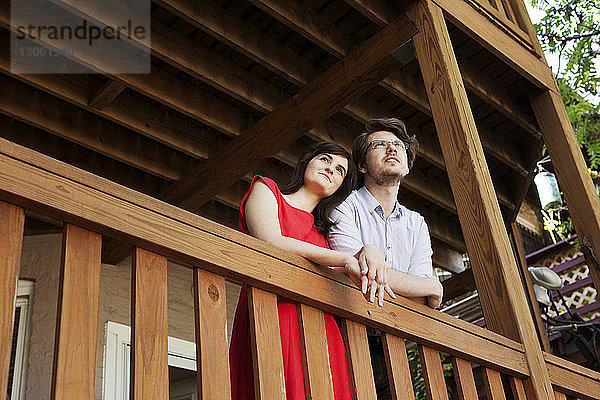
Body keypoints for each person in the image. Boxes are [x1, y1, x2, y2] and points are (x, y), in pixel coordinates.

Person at [229, 142, 359, 400]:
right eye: (325, 160)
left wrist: (368, 252)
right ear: (307, 163)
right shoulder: (267, 190)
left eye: (340, 170)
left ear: (339, 188)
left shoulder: (326, 237)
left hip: (321, 334)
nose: (331, 169)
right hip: (270, 314)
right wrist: (346, 258)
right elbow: (271, 240)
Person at [328, 118, 443, 398]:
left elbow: (423, 300)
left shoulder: (417, 223)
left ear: (407, 163)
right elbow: (353, 273)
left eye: (398, 145)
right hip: (346, 333)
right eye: (379, 144)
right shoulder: (344, 205)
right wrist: (431, 286)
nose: (391, 149)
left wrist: (428, 288)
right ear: (362, 165)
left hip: (396, 343)